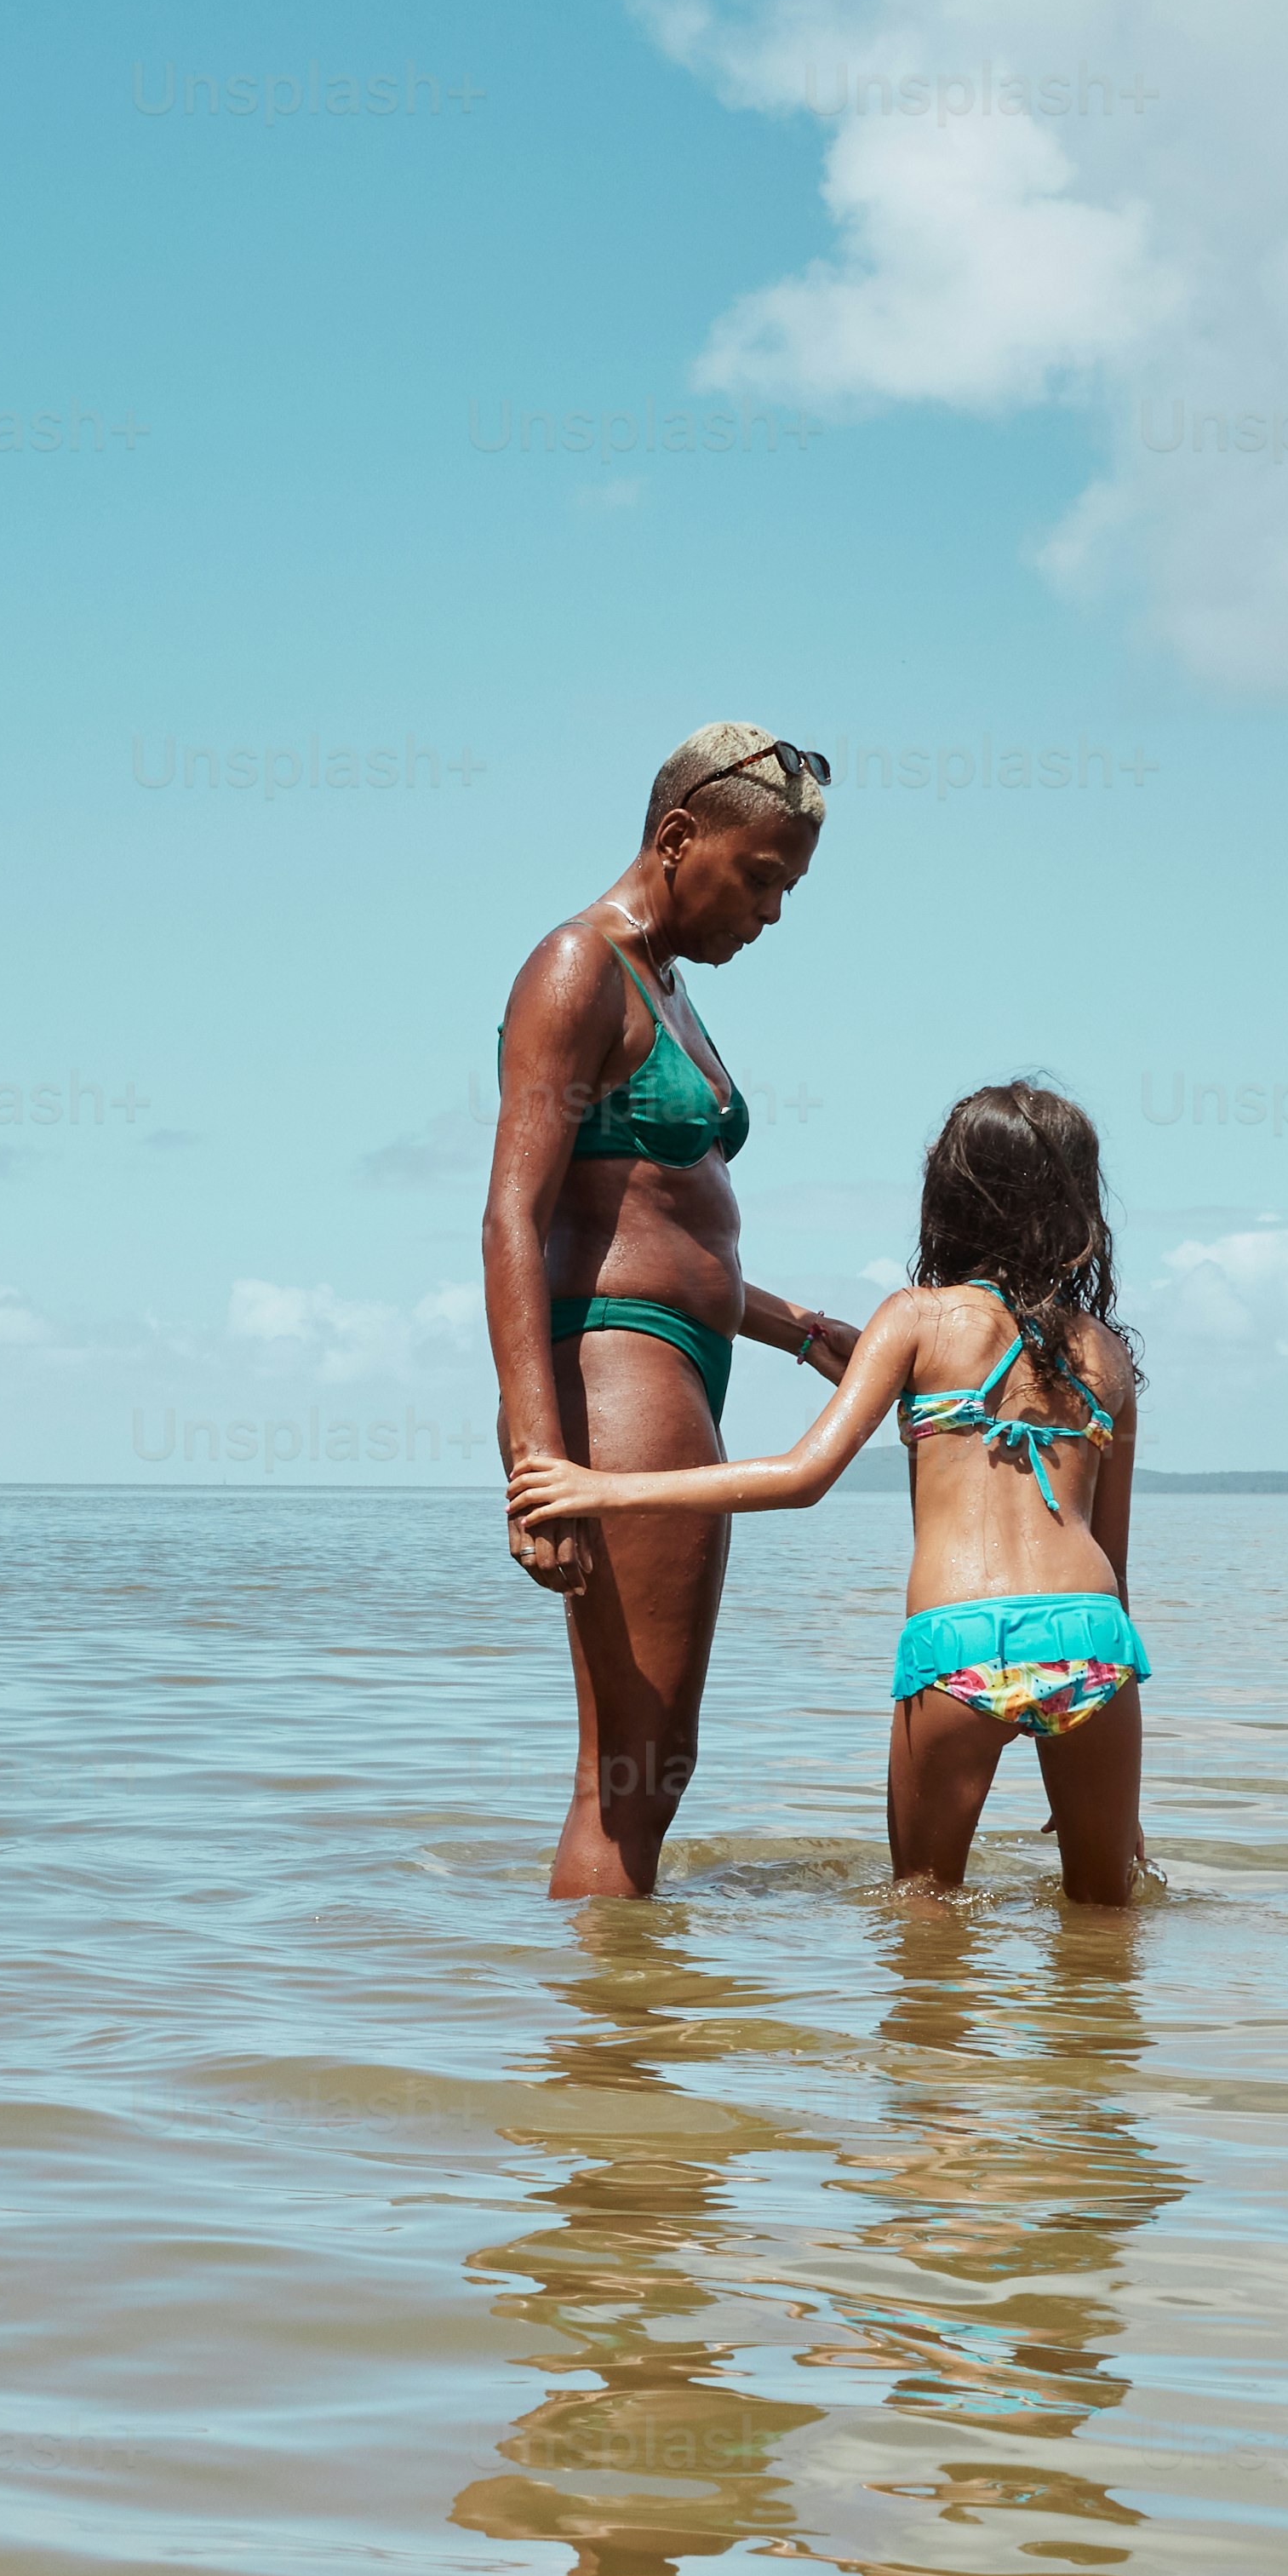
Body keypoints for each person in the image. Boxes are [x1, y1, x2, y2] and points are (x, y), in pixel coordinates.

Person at [508, 1077, 1149, 1906]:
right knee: (1105, 1923)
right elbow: (1118, 1565)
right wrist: (1127, 1797)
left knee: (923, 1922)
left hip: (959, 1639)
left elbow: (800, 1477)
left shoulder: (916, 1319)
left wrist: (597, 1489)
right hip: (1094, 1644)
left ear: (950, 1196)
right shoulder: (1106, 1353)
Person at [484, 725, 862, 1898]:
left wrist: (798, 1330)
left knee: (652, 1764)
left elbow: (656, 1235)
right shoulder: (576, 967)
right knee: (633, 1769)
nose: (772, 913)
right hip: (619, 1369)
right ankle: (604, 2068)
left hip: (686, 1356)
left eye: (789, 888)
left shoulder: (669, 986)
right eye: (760, 879)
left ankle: (609, 2042)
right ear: (677, 837)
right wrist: (535, 1458)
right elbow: (513, 1217)